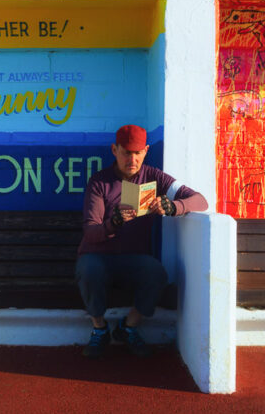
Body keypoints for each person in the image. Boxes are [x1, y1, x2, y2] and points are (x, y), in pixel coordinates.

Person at [76, 124, 208, 358]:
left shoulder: (155, 177)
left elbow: (200, 200)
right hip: (100, 258)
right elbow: (90, 232)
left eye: (137, 153)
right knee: (88, 268)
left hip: (133, 259)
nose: (132, 159)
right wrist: (112, 223)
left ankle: (129, 328)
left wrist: (174, 206)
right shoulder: (99, 182)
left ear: (146, 150)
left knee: (156, 273)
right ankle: (99, 329)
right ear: (114, 150)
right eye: (126, 152)